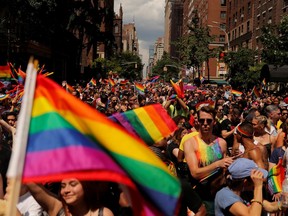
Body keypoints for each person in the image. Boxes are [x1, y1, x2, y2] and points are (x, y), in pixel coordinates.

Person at [182, 106, 233, 215]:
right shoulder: (190, 143)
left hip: (220, 194)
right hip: (200, 197)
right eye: (202, 120)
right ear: (197, 121)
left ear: (214, 122)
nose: (205, 123)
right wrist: (217, 164)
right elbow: (195, 173)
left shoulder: (221, 143)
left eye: (209, 120)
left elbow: (226, 170)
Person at [215, 158, 280, 216]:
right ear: (245, 182)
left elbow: (270, 206)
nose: (260, 181)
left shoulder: (246, 193)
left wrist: (283, 203)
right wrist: (258, 187)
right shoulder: (224, 195)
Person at [26, 179, 115, 216]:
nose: (66, 190)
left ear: (86, 186)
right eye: (63, 186)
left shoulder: (103, 213)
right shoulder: (58, 208)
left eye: (73, 184)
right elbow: (32, 184)